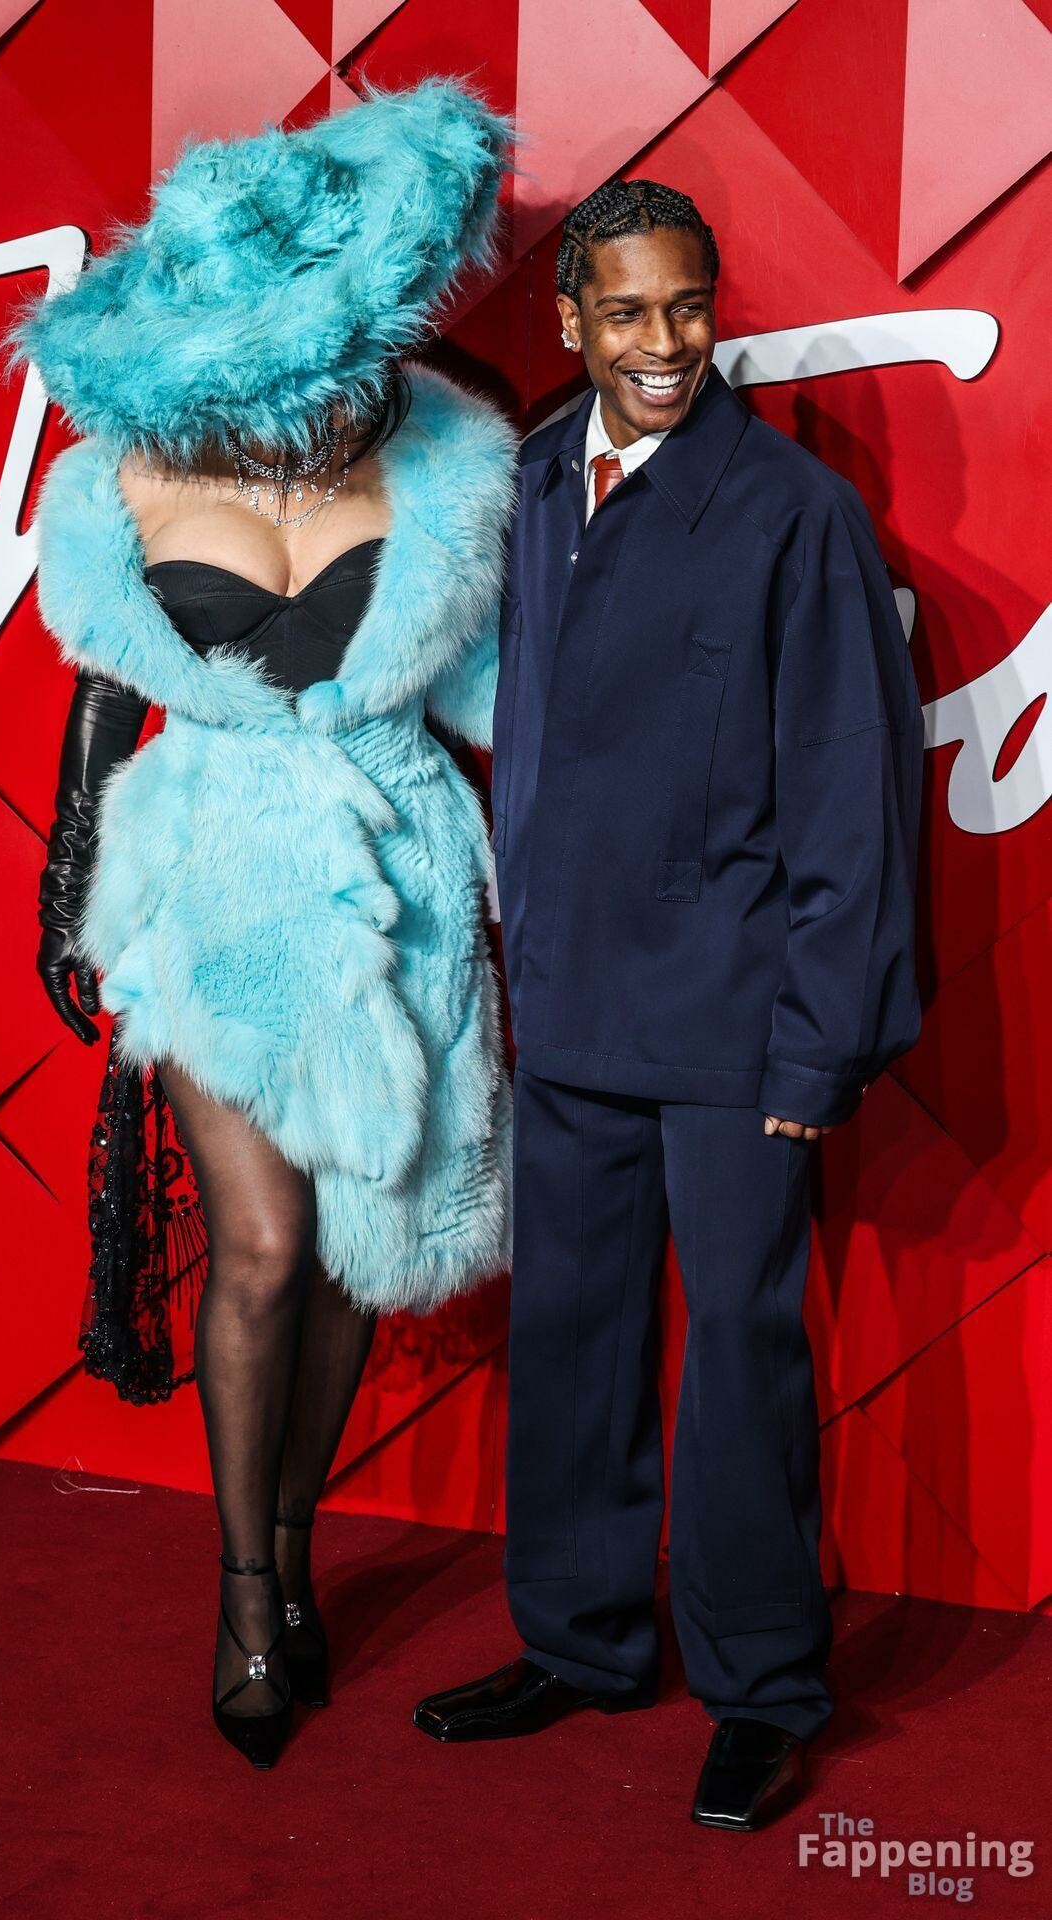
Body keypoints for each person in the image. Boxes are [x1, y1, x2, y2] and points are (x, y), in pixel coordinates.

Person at [5, 77, 519, 1771]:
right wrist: (70, 886)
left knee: (361, 1252)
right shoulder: (119, 477)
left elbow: (502, 697)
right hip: (215, 873)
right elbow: (105, 687)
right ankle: (243, 1593)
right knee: (265, 1251)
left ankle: (296, 1550)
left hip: (398, 867)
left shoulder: (450, 448)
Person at [413, 179, 924, 1832]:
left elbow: (849, 793)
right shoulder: (530, 484)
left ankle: (761, 1688)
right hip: (569, 1011)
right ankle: (579, 1641)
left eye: (685, 307)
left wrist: (819, 1043)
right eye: (625, 311)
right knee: (570, 1341)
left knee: (743, 1364)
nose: (661, 342)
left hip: (737, 1027)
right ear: (569, 319)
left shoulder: (792, 513)